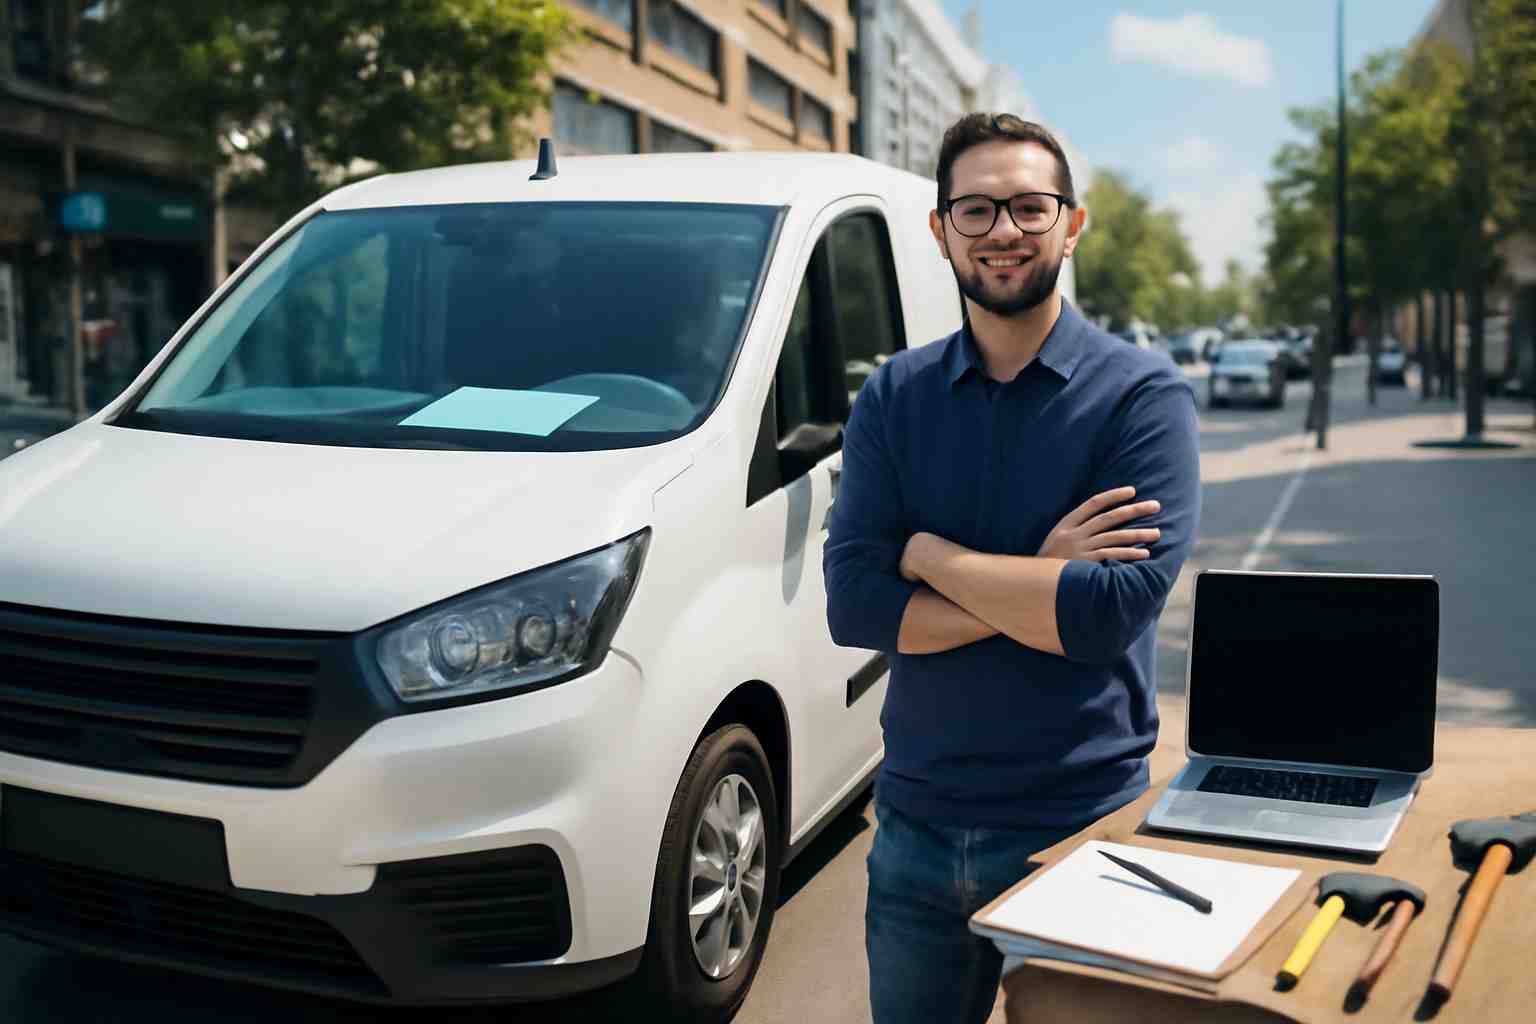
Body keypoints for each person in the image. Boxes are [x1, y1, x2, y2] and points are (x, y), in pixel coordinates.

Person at [823, 113, 1202, 1024]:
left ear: (1071, 225)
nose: (1003, 231)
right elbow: (857, 606)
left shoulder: (1142, 398)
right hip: (913, 828)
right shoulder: (894, 395)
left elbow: (1106, 615)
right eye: (978, 209)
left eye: (1029, 208)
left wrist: (930, 555)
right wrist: (1036, 575)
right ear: (941, 229)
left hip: (1080, 828)